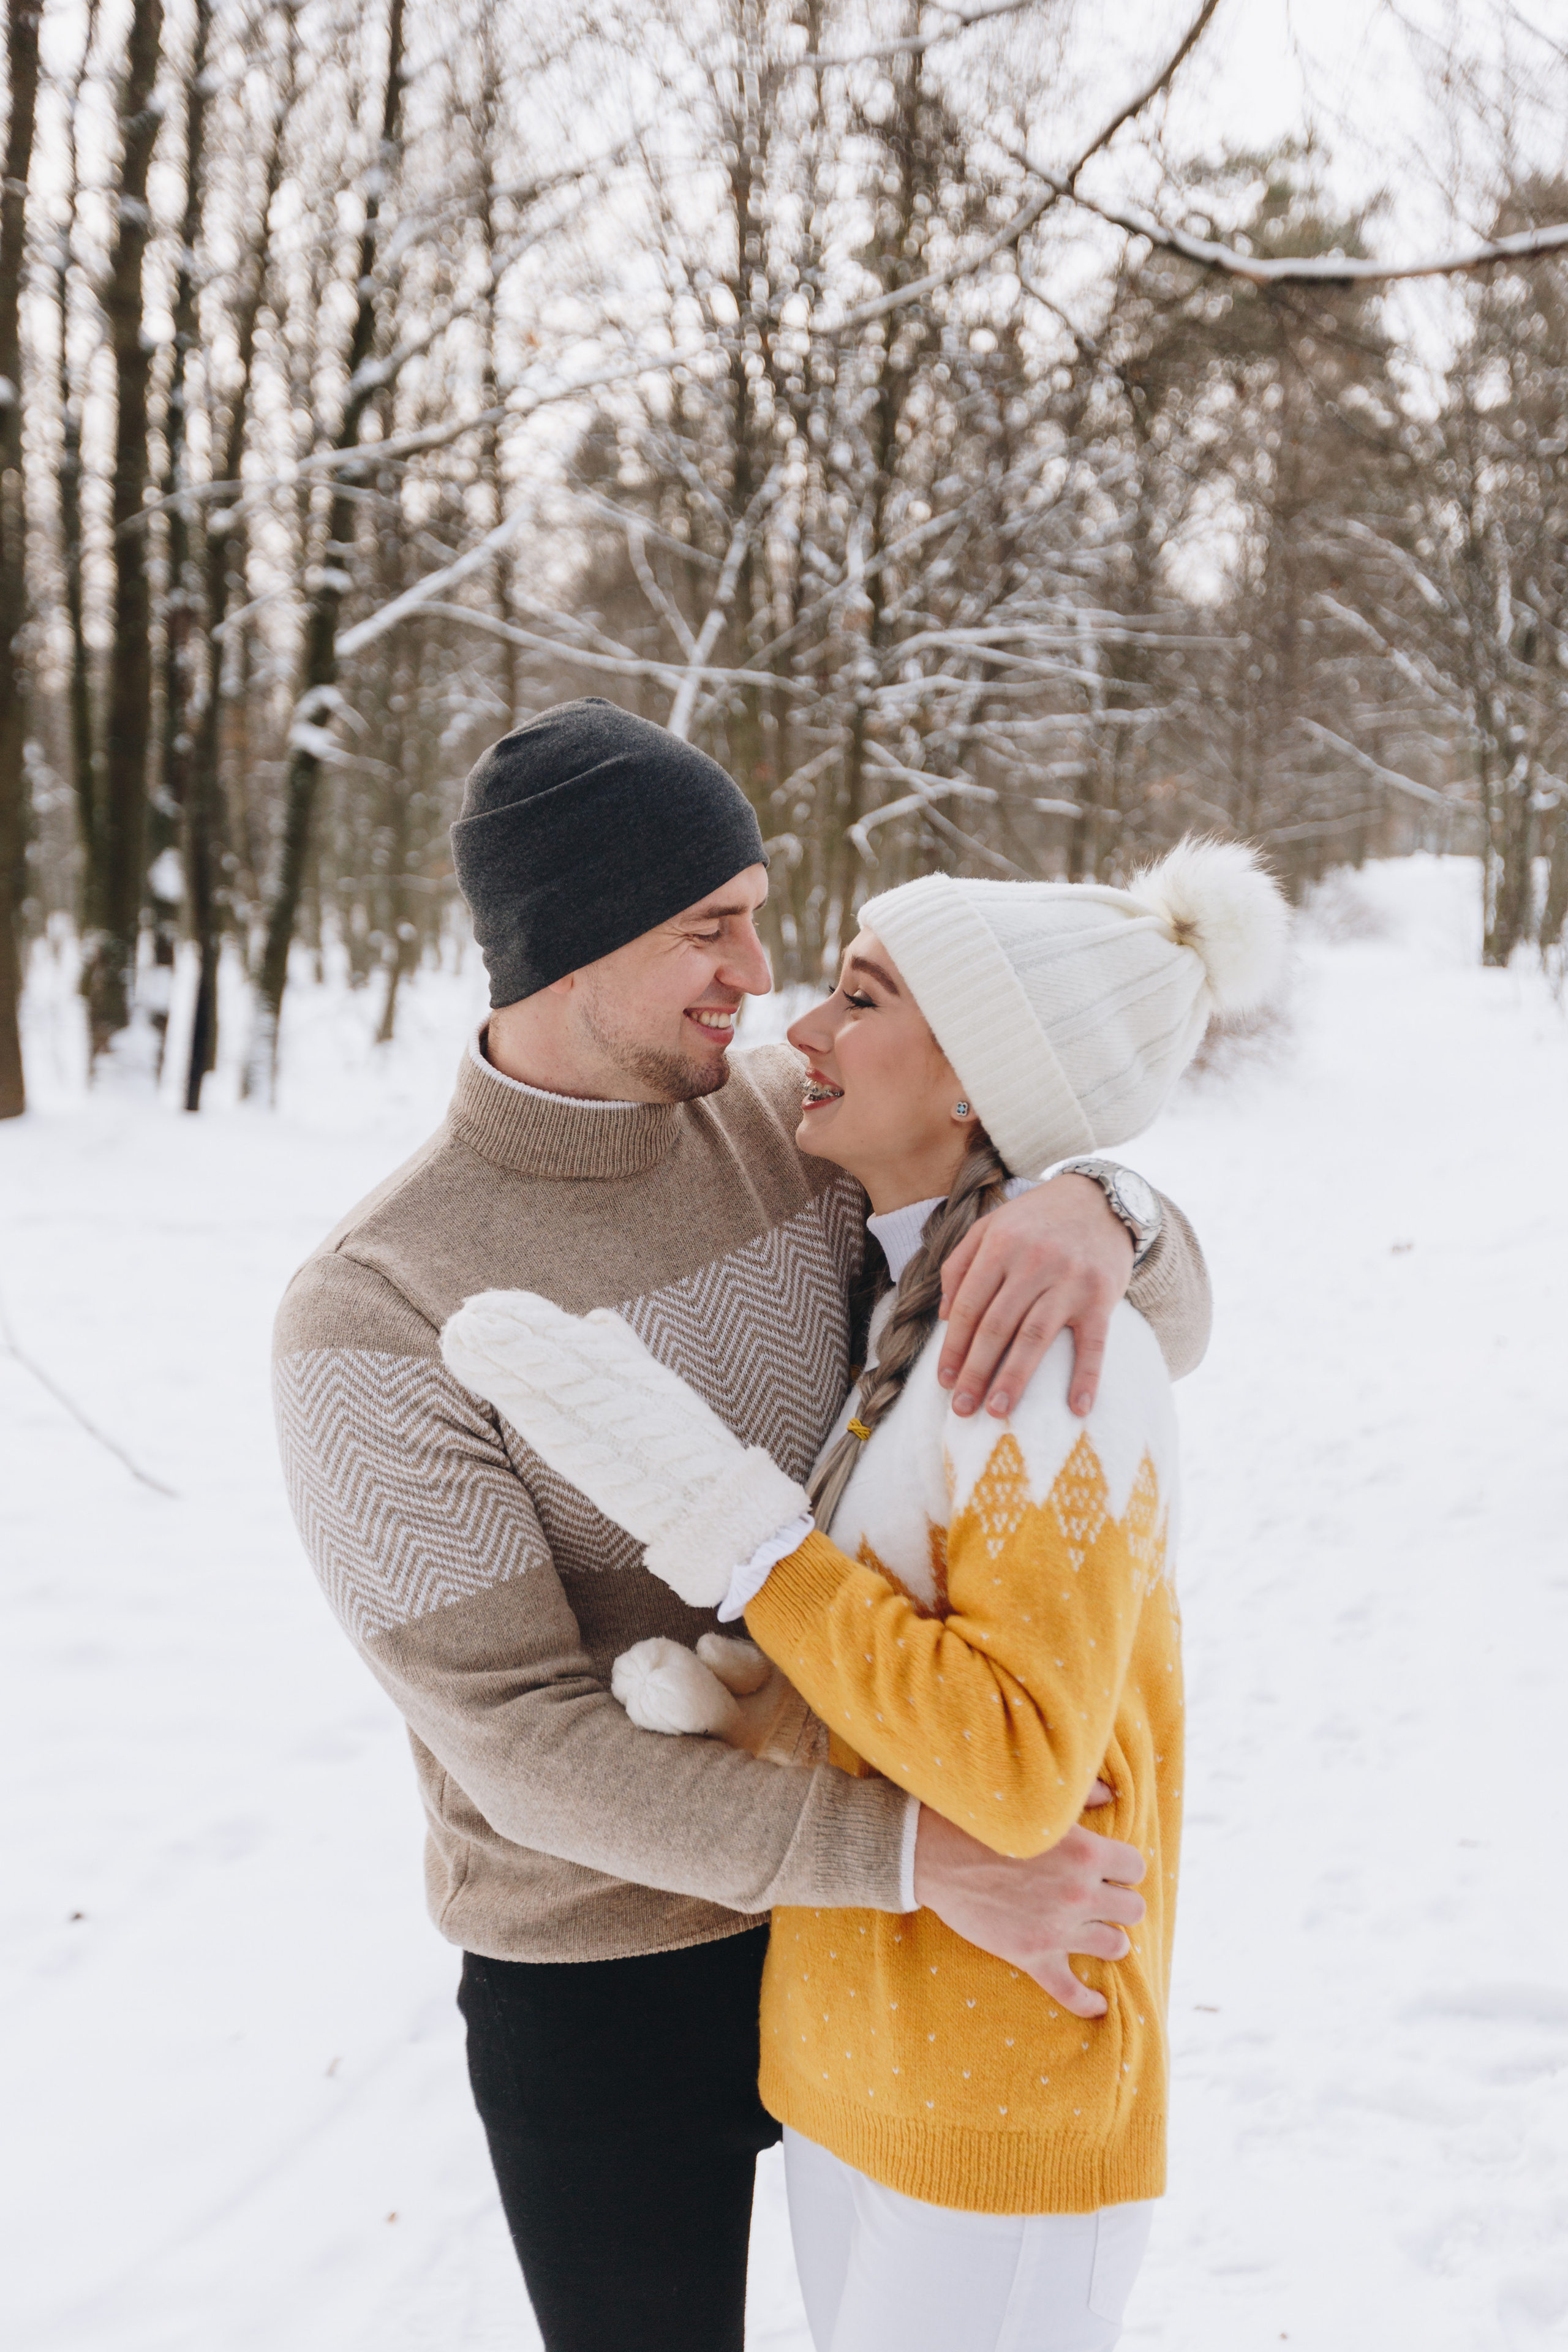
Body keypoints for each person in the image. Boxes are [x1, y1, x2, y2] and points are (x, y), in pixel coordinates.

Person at [273, 698, 1214, 2352]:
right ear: (568, 948)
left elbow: (1137, 1310)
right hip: (610, 1972)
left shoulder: (789, 1122)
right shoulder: (375, 1307)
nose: (758, 979)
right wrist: (917, 1861)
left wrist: (1101, 1200)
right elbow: (519, 1744)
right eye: (709, 929)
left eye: (764, 922)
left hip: (881, 1952)